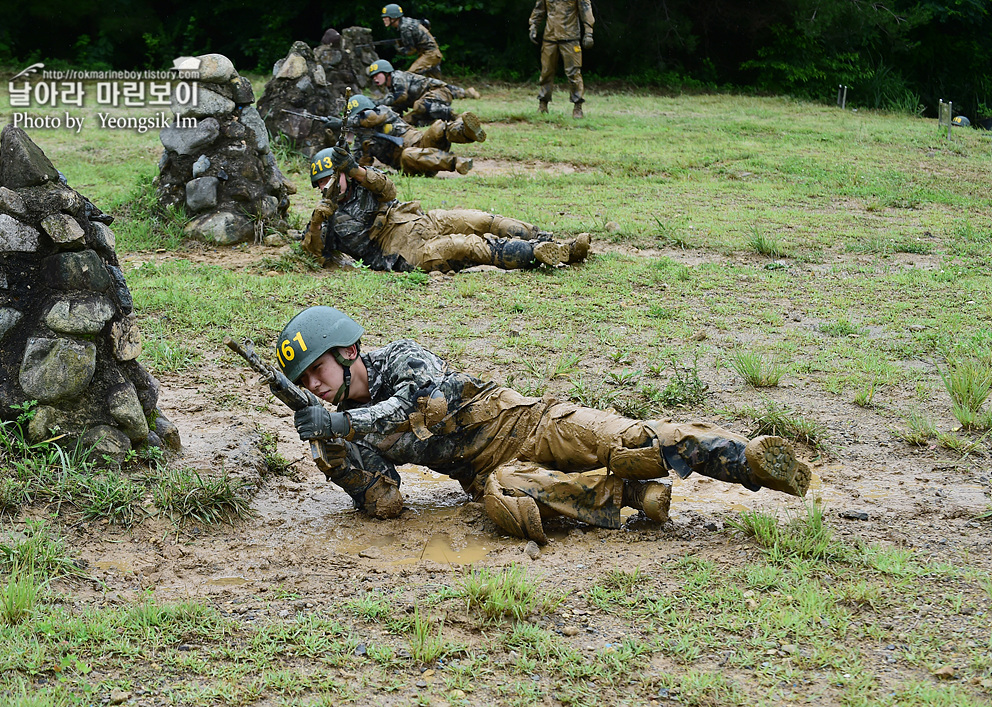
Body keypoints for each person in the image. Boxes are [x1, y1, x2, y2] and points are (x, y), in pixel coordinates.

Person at [275, 307, 813, 544]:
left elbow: (420, 408)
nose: (315, 386)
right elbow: (384, 503)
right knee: (505, 503)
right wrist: (334, 449)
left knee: (628, 442)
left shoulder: (403, 360)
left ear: (347, 352)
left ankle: (752, 462)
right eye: (304, 383)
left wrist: (341, 422)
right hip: (495, 472)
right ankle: (630, 495)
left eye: (317, 371)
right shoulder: (342, 426)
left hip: (531, 424)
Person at [303, 145, 591, 272]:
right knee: (466, 246)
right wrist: (317, 223)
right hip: (399, 252)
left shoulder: (359, 182)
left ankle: (554, 242)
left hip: (414, 219)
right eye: (321, 183)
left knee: (480, 219)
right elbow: (314, 254)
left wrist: (357, 171)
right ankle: (540, 256)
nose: (327, 186)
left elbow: (389, 190)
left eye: (332, 177)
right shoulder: (325, 216)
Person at [344, 94, 484, 177]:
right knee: (408, 154)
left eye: (361, 114)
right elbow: (360, 169)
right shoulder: (360, 140)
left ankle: (466, 132)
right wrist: (365, 153)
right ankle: (457, 162)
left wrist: (343, 122)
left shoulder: (383, 112)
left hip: (422, 143)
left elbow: (370, 119)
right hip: (412, 165)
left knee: (438, 127)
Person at [529, 0, 594, 118]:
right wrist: (533, 26)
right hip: (550, 36)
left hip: (570, 36)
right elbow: (539, 9)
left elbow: (585, 9)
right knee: (546, 71)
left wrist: (589, 32)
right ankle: (543, 104)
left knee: (574, 73)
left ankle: (577, 106)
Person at [366, 59, 480, 126]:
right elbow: (397, 106)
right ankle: (435, 121)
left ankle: (455, 117)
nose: (375, 79)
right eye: (373, 77)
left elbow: (400, 97)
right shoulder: (391, 87)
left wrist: (377, 102)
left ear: (386, 73)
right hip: (428, 97)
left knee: (419, 105)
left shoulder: (397, 77)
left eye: (377, 75)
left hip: (437, 91)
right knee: (406, 121)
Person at [381, 4, 443, 76]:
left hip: (430, 54)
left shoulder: (405, 28)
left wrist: (398, 48)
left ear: (393, 17)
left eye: (386, 17)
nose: (383, 19)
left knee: (409, 76)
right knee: (435, 83)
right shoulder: (408, 22)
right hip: (433, 54)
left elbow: (411, 50)